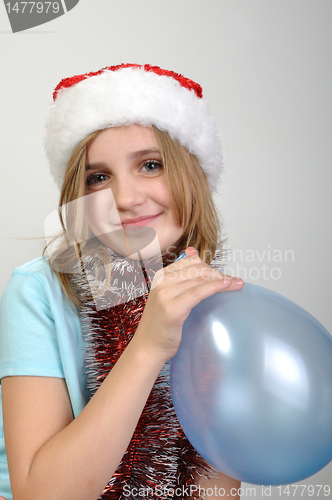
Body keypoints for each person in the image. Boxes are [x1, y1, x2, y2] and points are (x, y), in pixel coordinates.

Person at [0, 64, 244, 500]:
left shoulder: (213, 302)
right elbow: (41, 495)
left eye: (150, 165)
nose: (125, 199)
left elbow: (213, 486)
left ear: (194, 176)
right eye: (98, 177)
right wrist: (149, 344)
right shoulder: (37, 291)